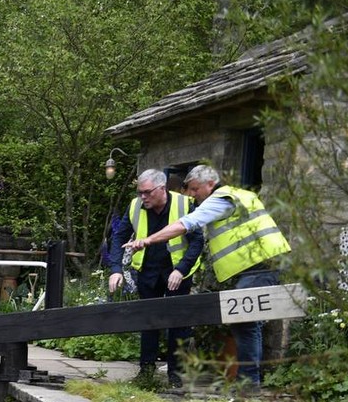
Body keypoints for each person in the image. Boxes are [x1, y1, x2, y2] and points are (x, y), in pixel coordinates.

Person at [124, 163, 292, 387]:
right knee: (247, 324)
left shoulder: (220, 199)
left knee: (246, 324)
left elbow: (187, 224)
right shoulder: (241, 194)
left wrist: (148, 240)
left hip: (259, 266)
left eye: (195, 189)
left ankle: (249, 386)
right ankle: (248, 383)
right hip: (262, 264)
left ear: (210, 184)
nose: (192, 195)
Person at [108, 169, 204, 386]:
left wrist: (181, 269)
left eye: (147, 192)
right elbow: (119, 237)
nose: (143, 197)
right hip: (148, 271)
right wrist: (116, 269)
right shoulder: (135, 207)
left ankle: (176, 376)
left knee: (178, 324)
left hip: (178, 271)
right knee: (149, 321)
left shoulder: (184, 204)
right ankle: (146, 372)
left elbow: (197, 241)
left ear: (162, 189)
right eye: (140, 192)